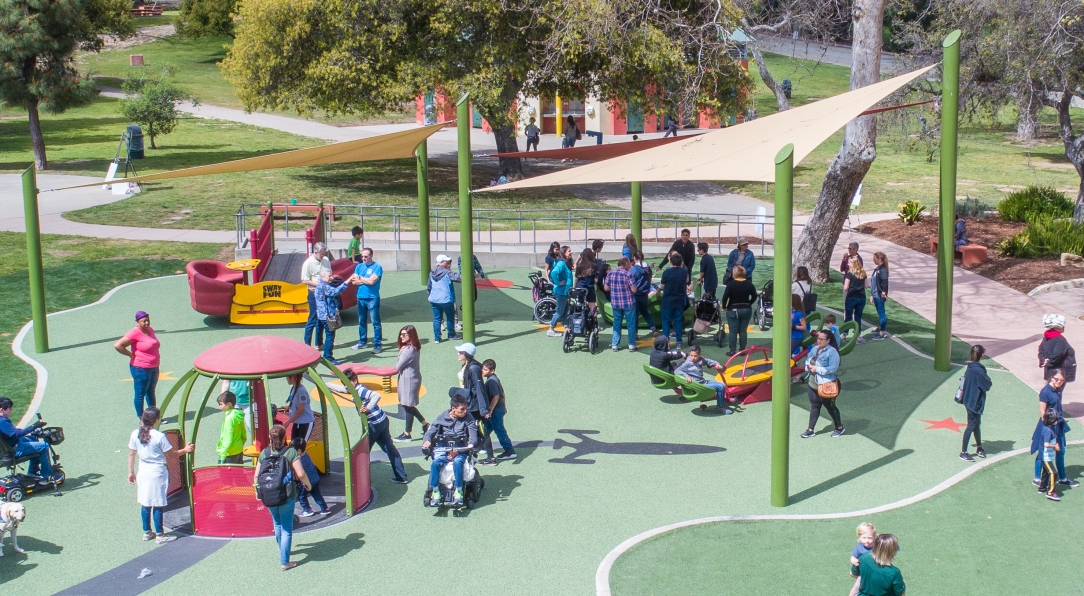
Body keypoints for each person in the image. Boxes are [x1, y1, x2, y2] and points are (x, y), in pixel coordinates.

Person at [128, 407, 194, 544]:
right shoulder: (159, 436)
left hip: (143, 471)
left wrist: (130, 472)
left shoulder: (135, 433)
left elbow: (131, 454)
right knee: (158, 503)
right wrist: (186, 450)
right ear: (156, 420)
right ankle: (160, 535)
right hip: (157, 472)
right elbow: (172, 454)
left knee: (145, 503)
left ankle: (147, 532)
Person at [254, 425, 311, 570]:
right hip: (286, 494)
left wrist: (257, 492)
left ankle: (282, 549)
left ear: (270, 438)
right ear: (285, 436)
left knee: (277, 523)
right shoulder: (290, 452)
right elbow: (301, 474)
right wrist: (308, 485)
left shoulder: (265, 453)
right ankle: (285, 561)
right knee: (287, 528)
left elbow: (256, 475)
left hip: (268, 493)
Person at [343, 369, 408, 483]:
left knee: (363, 451)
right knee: (389, 448)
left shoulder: (360, 390)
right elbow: (341, 389)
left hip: (374, 424)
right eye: (344, 384)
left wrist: (368, 407)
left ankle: (359, 480)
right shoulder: (353, 388)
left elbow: (376, 396)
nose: (346, 387)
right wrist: (327, 385)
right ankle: (401, 476)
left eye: (347, 384)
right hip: (382, 420)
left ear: (355, 381)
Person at [422, 394, 478, 507]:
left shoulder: (468, 419)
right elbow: (430, 432)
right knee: (435, 463)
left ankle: (459, 491)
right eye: (462, 409)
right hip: (444, 448)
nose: (465, 412)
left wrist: (461, 450)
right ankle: (436, 492)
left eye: (466, 409)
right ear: (453, 408)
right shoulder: (441, 418)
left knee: (458, 463)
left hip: (461, 449)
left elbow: (473, 439)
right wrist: (427, 441)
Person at [1030, 369, 1078, 488]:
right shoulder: (1045, 392)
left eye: (1062, 380)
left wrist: (1060, 420)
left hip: (1058, 425)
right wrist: (1050, 427)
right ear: (1051, 377)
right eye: (1057, 379)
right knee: (1043, 452)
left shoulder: (1058, 390)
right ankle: (1037, 478)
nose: (1059, 382)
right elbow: (1042, 413)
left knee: (1060, 451)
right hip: (1048, 426)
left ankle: (1062, 478)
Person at [115, 310, 161, 418]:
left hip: (153, 367)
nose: (146, 323)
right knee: (140, 395)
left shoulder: (150, 330)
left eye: (148, 320)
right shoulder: (134, 333)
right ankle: (142, 419)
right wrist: (130, 355)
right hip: (140, 368)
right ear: (138, 322)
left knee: (151, 392)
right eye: (143, 321)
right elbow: (118, 345)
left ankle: (154, 417)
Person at [0, 397, 54, 484]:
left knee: (33, 438)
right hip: (16, 449)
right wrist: (34, 426)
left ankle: (33, 471)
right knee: (44, 446)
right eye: (9, 408)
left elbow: (12, 432)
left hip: (9, 446)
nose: (11, 410)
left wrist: (30, 431)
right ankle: (45, 476)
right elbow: (17, 434)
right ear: (1, 409)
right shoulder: (2, 422)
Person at [801, 330, 844, 438]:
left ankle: (839, 427)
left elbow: (833, 368)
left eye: (822, 339)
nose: (819, 341)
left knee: (830, 406)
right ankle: (810, 430)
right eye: (818, 338)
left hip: (827, 384)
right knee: (815, 406)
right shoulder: (815, 349)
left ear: (828, 340)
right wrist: (808, 367)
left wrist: (817, 369)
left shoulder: (832, 352)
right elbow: (808, 360)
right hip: (812, 383)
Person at [455, 342, 494, 464]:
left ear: (467, 354)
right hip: (469, 402)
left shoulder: (473, 368)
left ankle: (490, 457)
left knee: (480, 429)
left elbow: (479, 387)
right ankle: (475, 452)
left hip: (474, 405)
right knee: (473, 428)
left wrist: (483, 409)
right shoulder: (468, 365)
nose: (458, 354)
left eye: (461, 352)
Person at [957, 345, 993, 461]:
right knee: (972, 425)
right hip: (974, 402)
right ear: (982, 354)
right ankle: (963, 452)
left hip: (969, 400)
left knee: (976, 424)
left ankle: (979, 447)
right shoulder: (979, 370)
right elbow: (987, 385)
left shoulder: (971, 367)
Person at [393, 325, 428, 442]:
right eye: (401, 334)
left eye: (404, 335)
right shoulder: (413, 347)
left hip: (409, 380)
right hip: (410, 379)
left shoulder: (408, 350)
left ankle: (407, 433)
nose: (401, 336)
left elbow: (398, 366)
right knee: (409, 405)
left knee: (407, 406)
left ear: (411, 336)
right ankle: (425, 424)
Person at [675, 346, 734, 414]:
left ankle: (722, 404)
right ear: (689, 354)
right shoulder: (688, 362)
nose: (693, 358)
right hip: (699, 386)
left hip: (703, 382)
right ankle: (719, 408)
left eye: (695, 356)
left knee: (723, 384)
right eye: (691, 355)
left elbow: (707, 361)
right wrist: (686, 376)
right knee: (720, 387)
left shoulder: (700, 360)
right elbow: (677, 370)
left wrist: (717, 364)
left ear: (699, 355)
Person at [481, 359, 517, 461]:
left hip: (495, 410)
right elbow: (502, 393)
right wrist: (504, 406)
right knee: (485, 429)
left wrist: (491, 410)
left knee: (499, 430)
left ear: (492, 371)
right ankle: (483, 445)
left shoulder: (491, 381)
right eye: (482, 369)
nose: (482, 371)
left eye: (485, 369)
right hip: (498, 408)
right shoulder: (494, 378)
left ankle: (510, 451)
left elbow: (496, 396)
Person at [351, 247, 384, 354]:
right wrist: (365, 279)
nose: (363, 258)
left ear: (371, 256)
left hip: (372, 298)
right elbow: (354, 282)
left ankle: (378, 344)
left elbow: (372, 282)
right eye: (362, 256)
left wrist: (361, 278)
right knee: (362, 321)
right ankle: (362, 342)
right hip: (360, 298)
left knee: (375, 322)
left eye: (366, 256)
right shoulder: (359, 267)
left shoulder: (377, 267)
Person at [314, 269, 351, 364]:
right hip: (327, 316)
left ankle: (322, 347)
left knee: (324, 333)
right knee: (330, 336)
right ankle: (328, 356)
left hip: (321, 315)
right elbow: (335, 291)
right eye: (329, 276)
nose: (331, 277)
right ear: (322, 277)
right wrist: (347, 281)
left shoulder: (319, 285)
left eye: (331, 275)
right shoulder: (324, 286)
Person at [720, 265, 756, 355]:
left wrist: (725, 307)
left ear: (734, 273)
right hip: (746, 309)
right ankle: (742, 350)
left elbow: (725, 297)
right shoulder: (749, 284)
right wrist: (749, 303)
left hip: (733, 309)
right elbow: (754, 296)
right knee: (743, 330)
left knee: (733, 331)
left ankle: (732, 350)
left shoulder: (731, 284)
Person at [300, 243, 330, 351]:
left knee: (322, 318)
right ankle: (307, 345)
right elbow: (304, 280)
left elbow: (329, 274)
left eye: (324, 254)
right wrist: (319, 284)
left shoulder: (326, 260)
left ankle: (319, 343)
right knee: (312, 318)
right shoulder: (308, 263)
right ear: (315, 252)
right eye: (321, 255)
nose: (323, 256)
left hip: (324, 293)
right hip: (313, 293)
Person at [604, 257, 638, 352]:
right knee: (630, 324)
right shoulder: (628, 274)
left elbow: (606, 288)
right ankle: (631, 344)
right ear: (625, 264)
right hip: (628, 303)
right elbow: (634, 289)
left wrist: (615, 288)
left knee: (617, 324)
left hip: (615, 303)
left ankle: (615, 344)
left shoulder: (610, 274)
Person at [290, 437, 331, 516]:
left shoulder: (299, 460)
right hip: (315, 479)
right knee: (317, 494)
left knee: (301, 496)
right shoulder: (306, 454)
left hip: (306, 482)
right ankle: (325, 508)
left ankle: (307, 510)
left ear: (298, 451)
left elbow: (300, 473)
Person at [427, 255, 462, 344]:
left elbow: (429, 286)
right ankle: (451, 335)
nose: (449, 264)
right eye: (447, 262)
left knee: (437, 318)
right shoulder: (447, 272)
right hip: (446, 299)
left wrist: (430, 295)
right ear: (441, 262)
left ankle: (437, 338)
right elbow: (459, 277)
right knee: (450, 317)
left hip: (434, 299)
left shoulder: (432, 272)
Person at [660, 253, 691, 349]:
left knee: (666, 321)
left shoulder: (666, 272)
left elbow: (662, 286)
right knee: (678, 321)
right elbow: (687, 281)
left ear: (671, 261)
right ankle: (679, 342)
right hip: (679, 300)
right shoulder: (684, 272)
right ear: (681, 261)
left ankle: (666, 342)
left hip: (667, 300)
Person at [1039, 314, 1076, 382]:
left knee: (1050, 390)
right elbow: (1057, 355)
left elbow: (1041, 350)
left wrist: (1043, 360)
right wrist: (1048, 363)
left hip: (1050, 371)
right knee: (1054, 391)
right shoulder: (1060, 340)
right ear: (1056, 327)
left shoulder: (1046, 337)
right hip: (1059, 373)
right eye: (1062, 325)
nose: (1064, 327)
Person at [1037, 408, 1063, 501]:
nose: (1057, 420)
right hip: (1046, 457)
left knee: (1045, 473)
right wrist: (1055, 447)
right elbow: (1046, 444)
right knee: (1053, 472)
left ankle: (1042, 488)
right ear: (1052, 420)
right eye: (1056, 419)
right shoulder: (1048, 430)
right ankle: (1050, 492)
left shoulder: (1049, 428)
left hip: (1047, 456)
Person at [547, 246, 572, 337]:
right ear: (564, 253)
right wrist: (558, 282)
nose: (571, 252)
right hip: (561, 292)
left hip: (565, 292)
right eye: (569, 251)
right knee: (560, 311)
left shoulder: (565, 263)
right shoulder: (561, 263)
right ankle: (551, 328)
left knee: (565, 310)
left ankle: (566, 327)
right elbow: (553, 273)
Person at [630, 251, 657, 336]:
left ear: (634, 258)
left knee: (635, 315)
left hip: (635, 295)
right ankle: (653, 327)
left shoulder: (633, 269)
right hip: (645, 294)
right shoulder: (648, 268)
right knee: (644, 311)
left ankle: (635, 333)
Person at [216, 391, 246, 464]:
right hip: (238, 449)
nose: (219, 407)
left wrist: (222, 457)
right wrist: (240, 444)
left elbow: (227, 439)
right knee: (239, 473)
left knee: (226, 475)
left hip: (229, 453)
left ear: (229, 404)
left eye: (221, 404)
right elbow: (243, 432)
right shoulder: (237, 415)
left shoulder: (229, 419)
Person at [843, 256, 868, 344]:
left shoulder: (849, 274)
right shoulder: (863, 273)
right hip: (861, 297)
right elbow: (866, 286)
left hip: (851, 297)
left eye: (849, 263)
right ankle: (858, 336)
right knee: (858, 316)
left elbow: (845, 287)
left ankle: (844, 335)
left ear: (853, 264)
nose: (848, 264)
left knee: (848, 316)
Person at [849, 522, 878, 596]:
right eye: (864, 538)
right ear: (859, 537)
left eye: (870, 538)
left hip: (876, 572)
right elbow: (853, 558)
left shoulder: (877, 546)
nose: (867, 540)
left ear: (874, 537)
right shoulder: (859, 547)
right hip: (863, 573)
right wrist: (854, 561)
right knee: (857, 586)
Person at [283, 374, 314, 441]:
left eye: (287, 376)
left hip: (305, 422)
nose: (286, 378)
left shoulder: (301, 390)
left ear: (293, 378)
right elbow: (295, 403)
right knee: (293, 445)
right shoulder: (294, 388)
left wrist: (288, 422)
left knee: (301, 446)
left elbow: (300, 411)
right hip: (297, 422)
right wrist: (289, 407)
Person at [868, 252, 889, 341]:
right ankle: (880, 327)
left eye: (875, 258)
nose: (873, 260)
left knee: (882, 314)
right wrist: (872, 295)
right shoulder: (878, 269)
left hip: (879, 296)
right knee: (879, 313)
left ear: (879, 259)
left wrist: (884, 292)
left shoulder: (882, 270)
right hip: (876, 295)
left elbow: (885, 281)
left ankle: (881, 333)